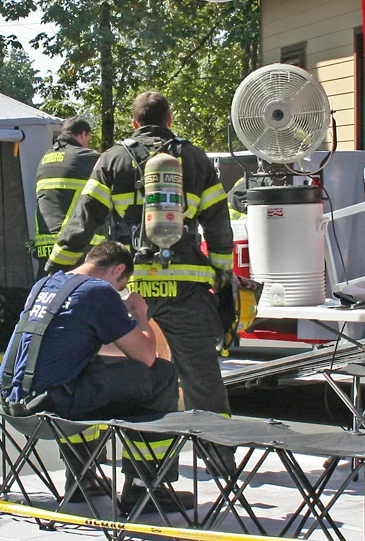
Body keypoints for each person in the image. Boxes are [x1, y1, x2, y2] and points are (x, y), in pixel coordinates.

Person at [46, 91, 236, 466]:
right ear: (169, 120)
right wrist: (223, 275)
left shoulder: (113, 158)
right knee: (201, 376)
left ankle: (110, 462)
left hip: (128, 287)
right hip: (186, 287)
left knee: (125, 370)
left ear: (133, 123)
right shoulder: (194, 158)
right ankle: (220, 459)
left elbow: (83, 220)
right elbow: (218, 222)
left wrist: (56, 267)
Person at [0, 240, 191, 513]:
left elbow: (82, 342)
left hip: (13, 401)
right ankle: (146, 489)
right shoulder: (98, 292)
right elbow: (147, 355)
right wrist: (139, 314)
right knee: (162, 376)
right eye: (120, 287)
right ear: (118, 269)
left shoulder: (46, 285)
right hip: (53, 408)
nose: (118, 293)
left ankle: (81, 479)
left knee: (94, 373)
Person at [31, 116, 101, 265]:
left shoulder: (45, 159)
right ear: (83, 134)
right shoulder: (85, 157)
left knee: (49, 286)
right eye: (87, 139)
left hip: (44, 243)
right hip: (71, 242)